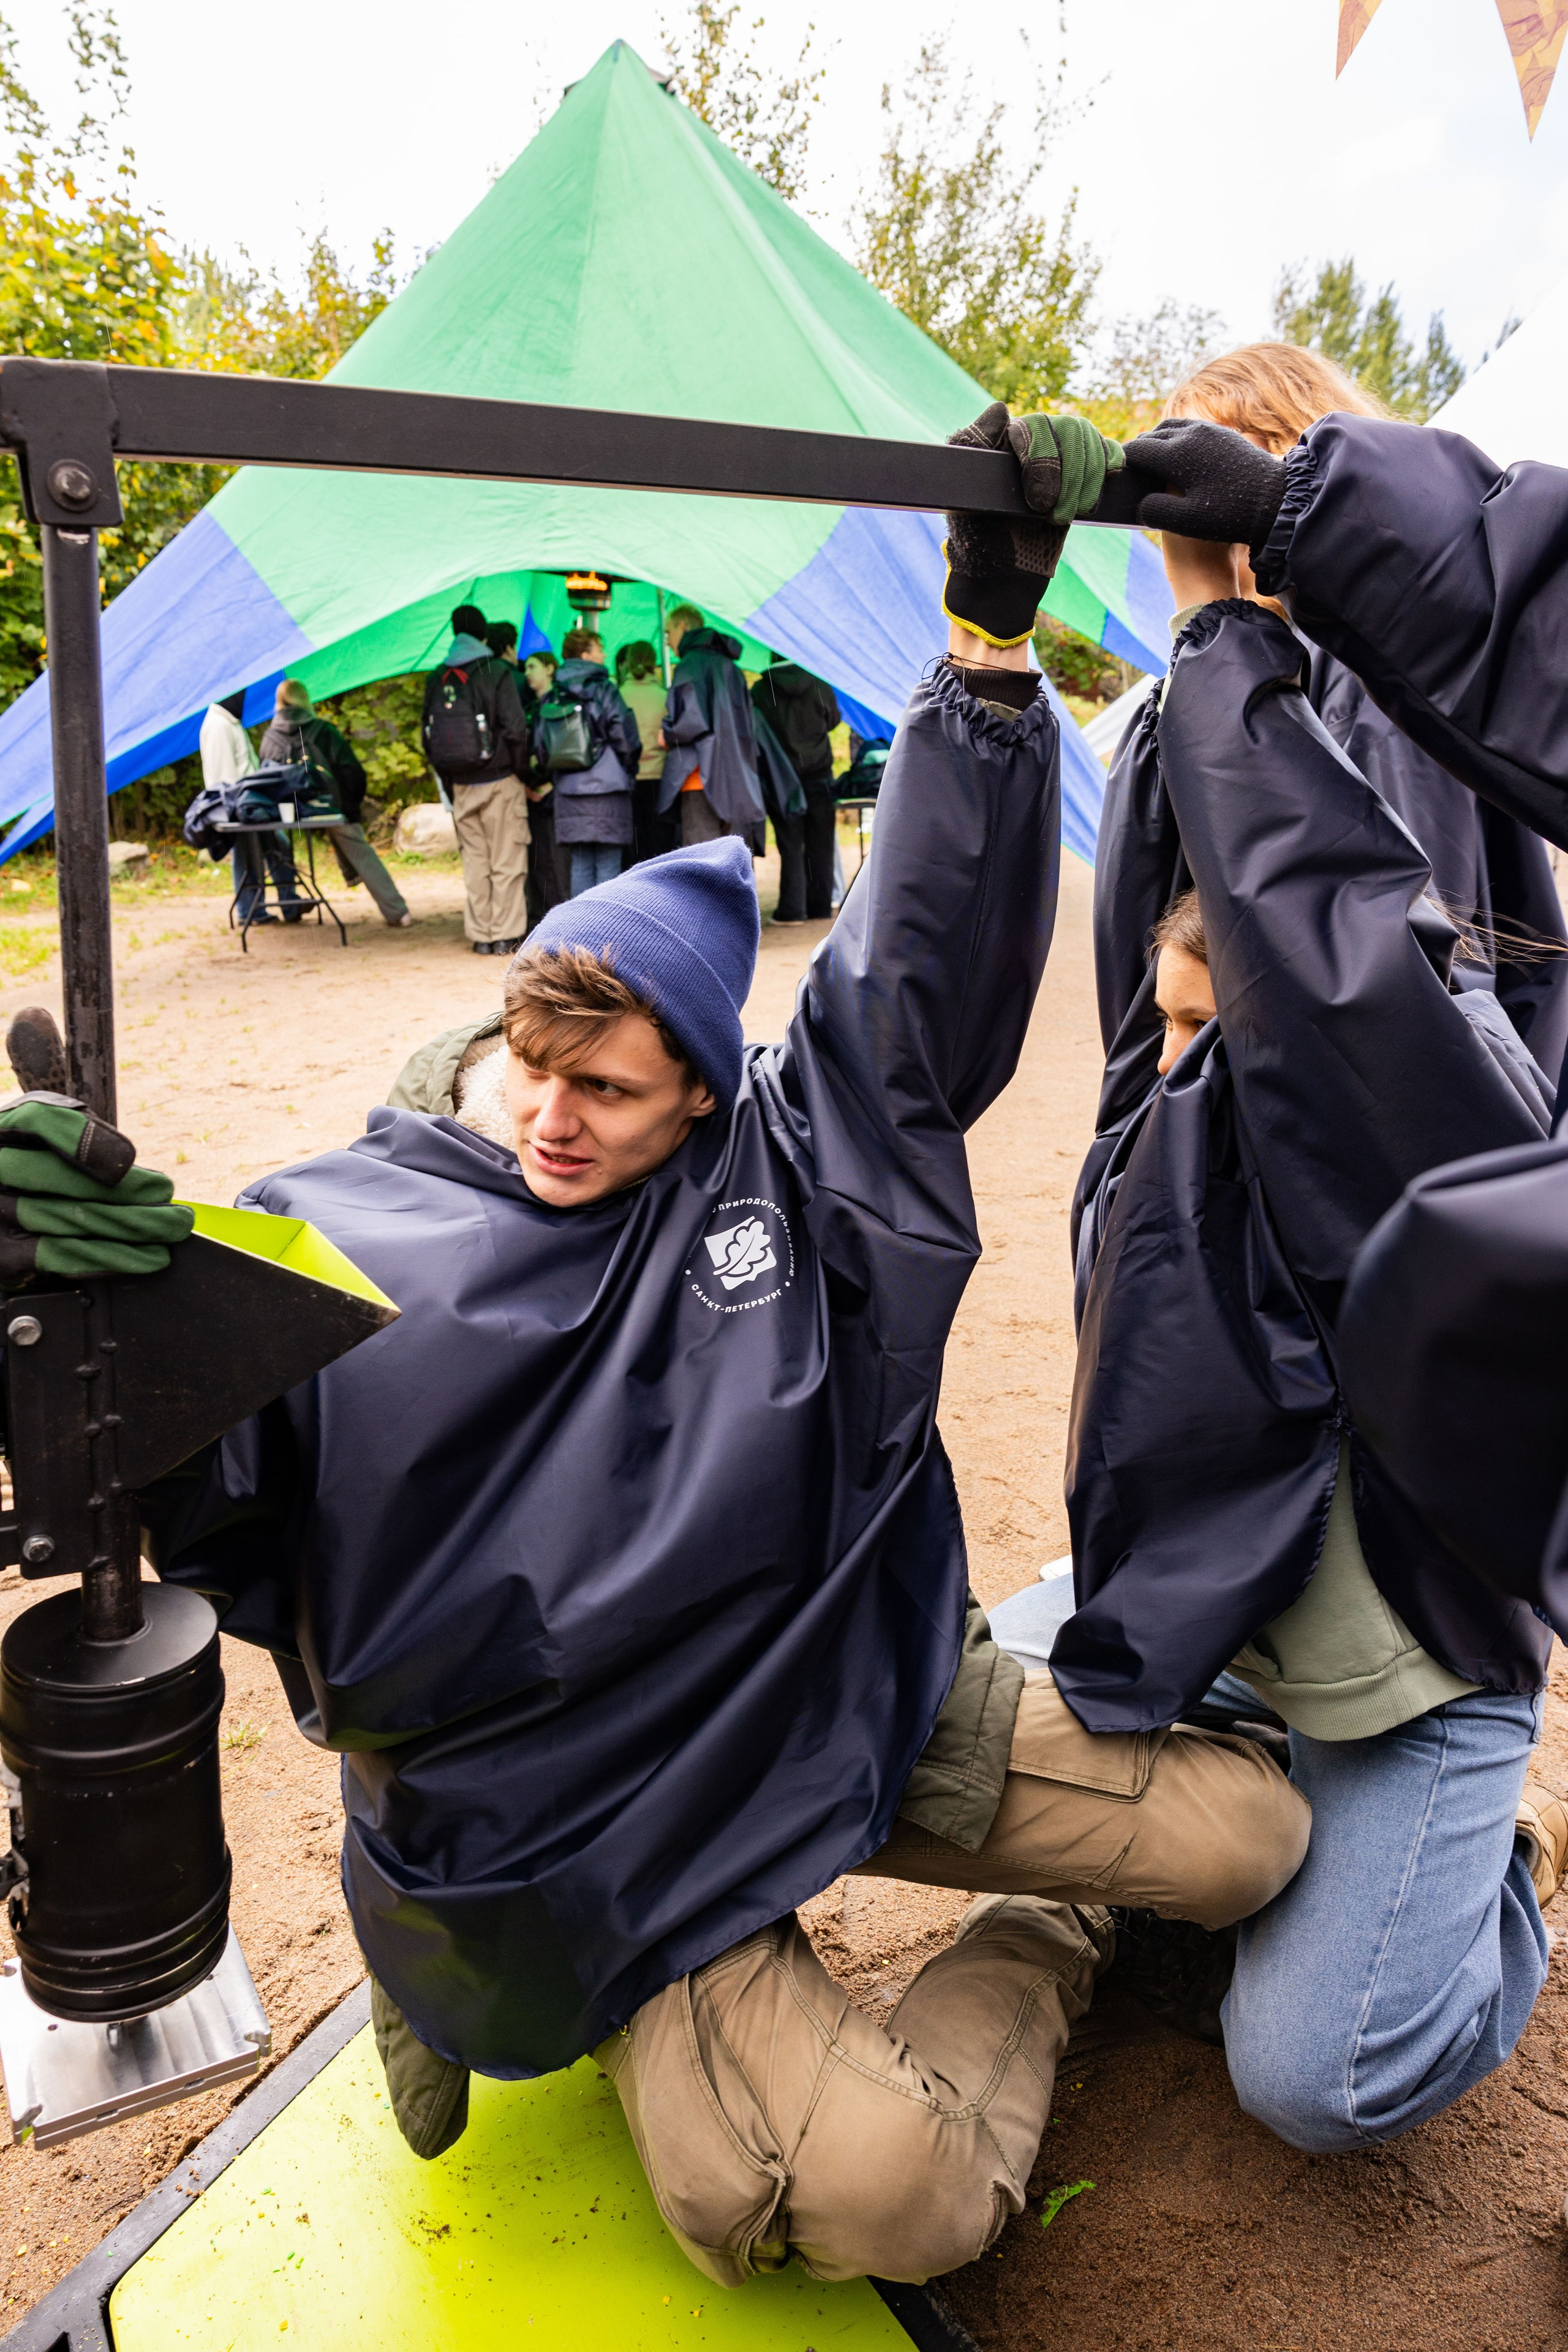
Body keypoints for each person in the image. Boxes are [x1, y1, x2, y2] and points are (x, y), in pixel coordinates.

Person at [121, 423, 1308, 2288]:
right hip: (586, 1819)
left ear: (705, 1083)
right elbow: (204, 1487)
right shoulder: (342, 1225)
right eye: (533, 1070)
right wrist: (106, 1298)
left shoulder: (784, 1177)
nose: (555, 1118)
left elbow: (909, 983)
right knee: (870, 2194)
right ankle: (533, 1974)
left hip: (832, 1685)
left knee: (1251, 1838)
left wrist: (990, 656)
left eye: (610, 1089)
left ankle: (1032, 1919)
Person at [991, 521, 1567, 2161]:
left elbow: (1347, 979)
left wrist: (1239, 615)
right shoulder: (1159, 1114)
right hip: (1222, 1593)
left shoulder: (1421, 1127)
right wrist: (1013, 654)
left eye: (1210, 1032)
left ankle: (1500, 1875)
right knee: (947, 1703)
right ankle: (1268, 1788)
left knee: (1316, 2079)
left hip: (1403, 1654)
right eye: (1158, 1026)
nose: (1173, 1071)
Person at [1118, 345, 1568, 1075]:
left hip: (1393, 1097)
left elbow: (1414, 955)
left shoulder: (1366, 682)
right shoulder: (1258, 667)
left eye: (1210, 470)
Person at [421, 601, 532, 955]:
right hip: (500, 780)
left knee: (475, 862)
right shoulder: (496, 670)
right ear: (484, 633)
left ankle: (481, 937)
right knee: (507, 861)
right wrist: (521, 773)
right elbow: (516, 729)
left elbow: (428, 737)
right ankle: (505, 936)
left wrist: (450, 782)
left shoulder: (436, 676)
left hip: (461, 783)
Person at [259, 681, 413, 929]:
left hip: (286, 812)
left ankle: (288, 907)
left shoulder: (270, 737)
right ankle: (398, 913)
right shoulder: (323, 731)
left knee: (276, 846)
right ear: (304, 699)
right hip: (328, 807)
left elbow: (263, 778)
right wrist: (349, 806)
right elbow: (353, 772)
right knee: (360, 851)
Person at [533, 627, 641, 897]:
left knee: (580, 866)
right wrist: (628, 770)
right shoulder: (605, 690)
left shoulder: (552, 696)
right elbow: (626, 737)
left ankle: (582, 933)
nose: (604, 655)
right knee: (608, 866)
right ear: (586, 654)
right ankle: (607, 933)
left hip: (569, 792)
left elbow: (540, 748)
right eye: (599, 649)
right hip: (609, 790)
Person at [658, 605, 766, 849]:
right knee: (733, 864)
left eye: (668, 633)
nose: (667, 642)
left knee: (701, 864)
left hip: (699, 779)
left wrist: (666, 734)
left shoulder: (689, 665)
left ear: (683, 627)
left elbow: (690, 722)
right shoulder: (731, 668)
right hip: (737, 780)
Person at [198, 688, 304, 927]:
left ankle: (289, 903)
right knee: (247, 857)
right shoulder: (217, 725)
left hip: (251, 803)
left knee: (277, 846)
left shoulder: (230, 721)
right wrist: (237, 807)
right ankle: (251, 910)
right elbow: (223, 778)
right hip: (239, 806)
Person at [750, 656, 840, 923]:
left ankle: (793, 910)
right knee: (821, 843)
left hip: (782, 778)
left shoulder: (760, 690)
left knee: (790, 844)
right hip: (820, 774)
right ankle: (820, 907)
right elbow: (833, 720)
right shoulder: (818, 683)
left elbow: (756, 731)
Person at [519, 647, 572, 923]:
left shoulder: (563, 705)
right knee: (537, 861)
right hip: (532, 794)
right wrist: (527, 786)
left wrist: (552, 785)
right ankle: (540, 920)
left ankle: (560, 919)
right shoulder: (528, 710)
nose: (527, 674)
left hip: (557, 795)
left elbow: (568, 751)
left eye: (532, 667)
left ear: (550, 668)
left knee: (558, 863)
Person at [615, 639, 673, 864]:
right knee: (660, 850)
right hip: (660, 781)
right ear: (654, 662)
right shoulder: (665, 697)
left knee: (634, 851)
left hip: (628, 780)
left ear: (627, 663)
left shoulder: (618, 695)